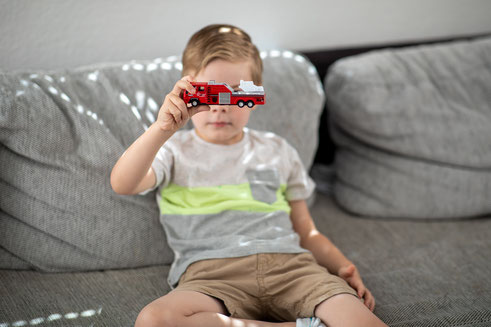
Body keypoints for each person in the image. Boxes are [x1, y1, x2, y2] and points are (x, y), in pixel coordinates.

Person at [110, 24, 387, 327]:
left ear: (254, 94)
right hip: (211, 276)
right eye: (209, 94)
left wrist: (342, 266)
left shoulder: (277, 150)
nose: (219, 108)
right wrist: (161, 128)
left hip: (291, 267)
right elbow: (123, 183)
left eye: (234, 94)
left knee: (359, 319)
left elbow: (307, 232)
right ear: (188, 92)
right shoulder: (172, 149)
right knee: (153, 321)